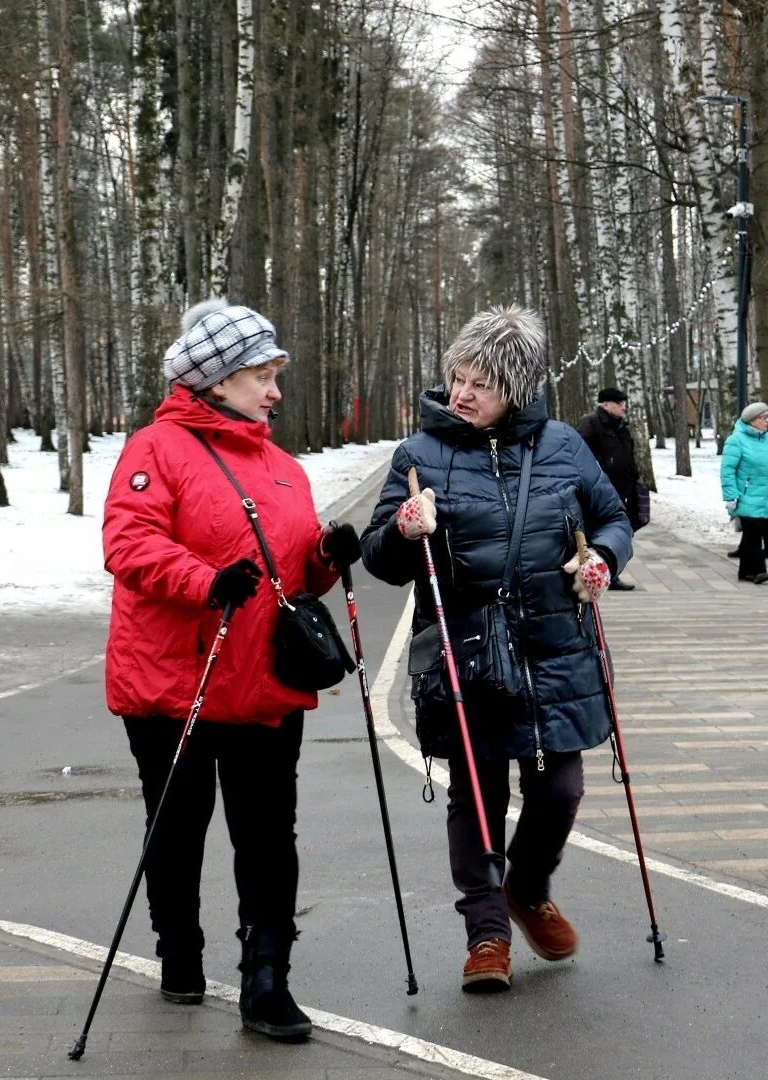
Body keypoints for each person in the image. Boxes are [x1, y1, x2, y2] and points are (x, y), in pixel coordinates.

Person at [102, 299, 359, 1042]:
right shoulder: (155, 449)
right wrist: (205, 580)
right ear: (214, 381)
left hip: (263, 682)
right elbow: (129, 544)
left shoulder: (283, 467)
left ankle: (267, 975)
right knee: (177, 829)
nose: (274, 391)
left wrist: (325, 554)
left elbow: (295, 563)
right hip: (172, 683)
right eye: (260, 376)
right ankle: (179, 953)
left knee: (269, 834)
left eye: (275, 374)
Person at [359, 304, 633, 993]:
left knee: (560, 789)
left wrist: (602, 557)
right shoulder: (419, 456)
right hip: (466, 651)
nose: (461, 392)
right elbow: (380, 560)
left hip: (553, 648)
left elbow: (612, 517)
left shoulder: (565, 446)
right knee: (475, 797)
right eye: (457, 376)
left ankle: (528, 885)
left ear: (516, 387)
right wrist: (402, 528)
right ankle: (487, 935)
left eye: (480, 381)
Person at [573, 387, 644, 591]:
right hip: (603, 487)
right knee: (604, 531)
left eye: (624, 403)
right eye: (619, 403)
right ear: (605, 404)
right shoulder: (591, 423)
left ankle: (612, 570)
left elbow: (628, 453)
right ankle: (604, 572)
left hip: (625, 486)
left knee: (625, 528)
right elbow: (581, 453)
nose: (624, 407)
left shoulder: (621, 425)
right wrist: (601, 469)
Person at [721, 401, 768, 584]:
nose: (767, 421)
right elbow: (727, 471)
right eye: (763, 418)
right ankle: (758, 571)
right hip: (746, 495)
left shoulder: (766, 439)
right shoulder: (736, 440)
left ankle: (745, 572)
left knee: (753, 534)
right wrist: (731, 496)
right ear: (751, 420)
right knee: (753, 533)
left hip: (765, 497)